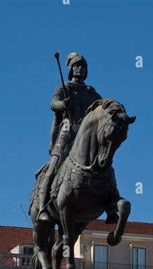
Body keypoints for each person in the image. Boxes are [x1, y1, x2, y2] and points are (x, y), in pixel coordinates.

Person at [37, 52, 103, 221]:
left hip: (85, 137)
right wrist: (62, 104)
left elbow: (103, 109)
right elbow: (53, 103)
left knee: (104, 162)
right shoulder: (64, 88)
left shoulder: (92, 93)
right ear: (71, 69)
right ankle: (43, 208)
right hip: (67, 134)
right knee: (53, 167)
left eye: (82, 66)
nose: (79, 69)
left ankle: (110, 205)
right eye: (76, 66)